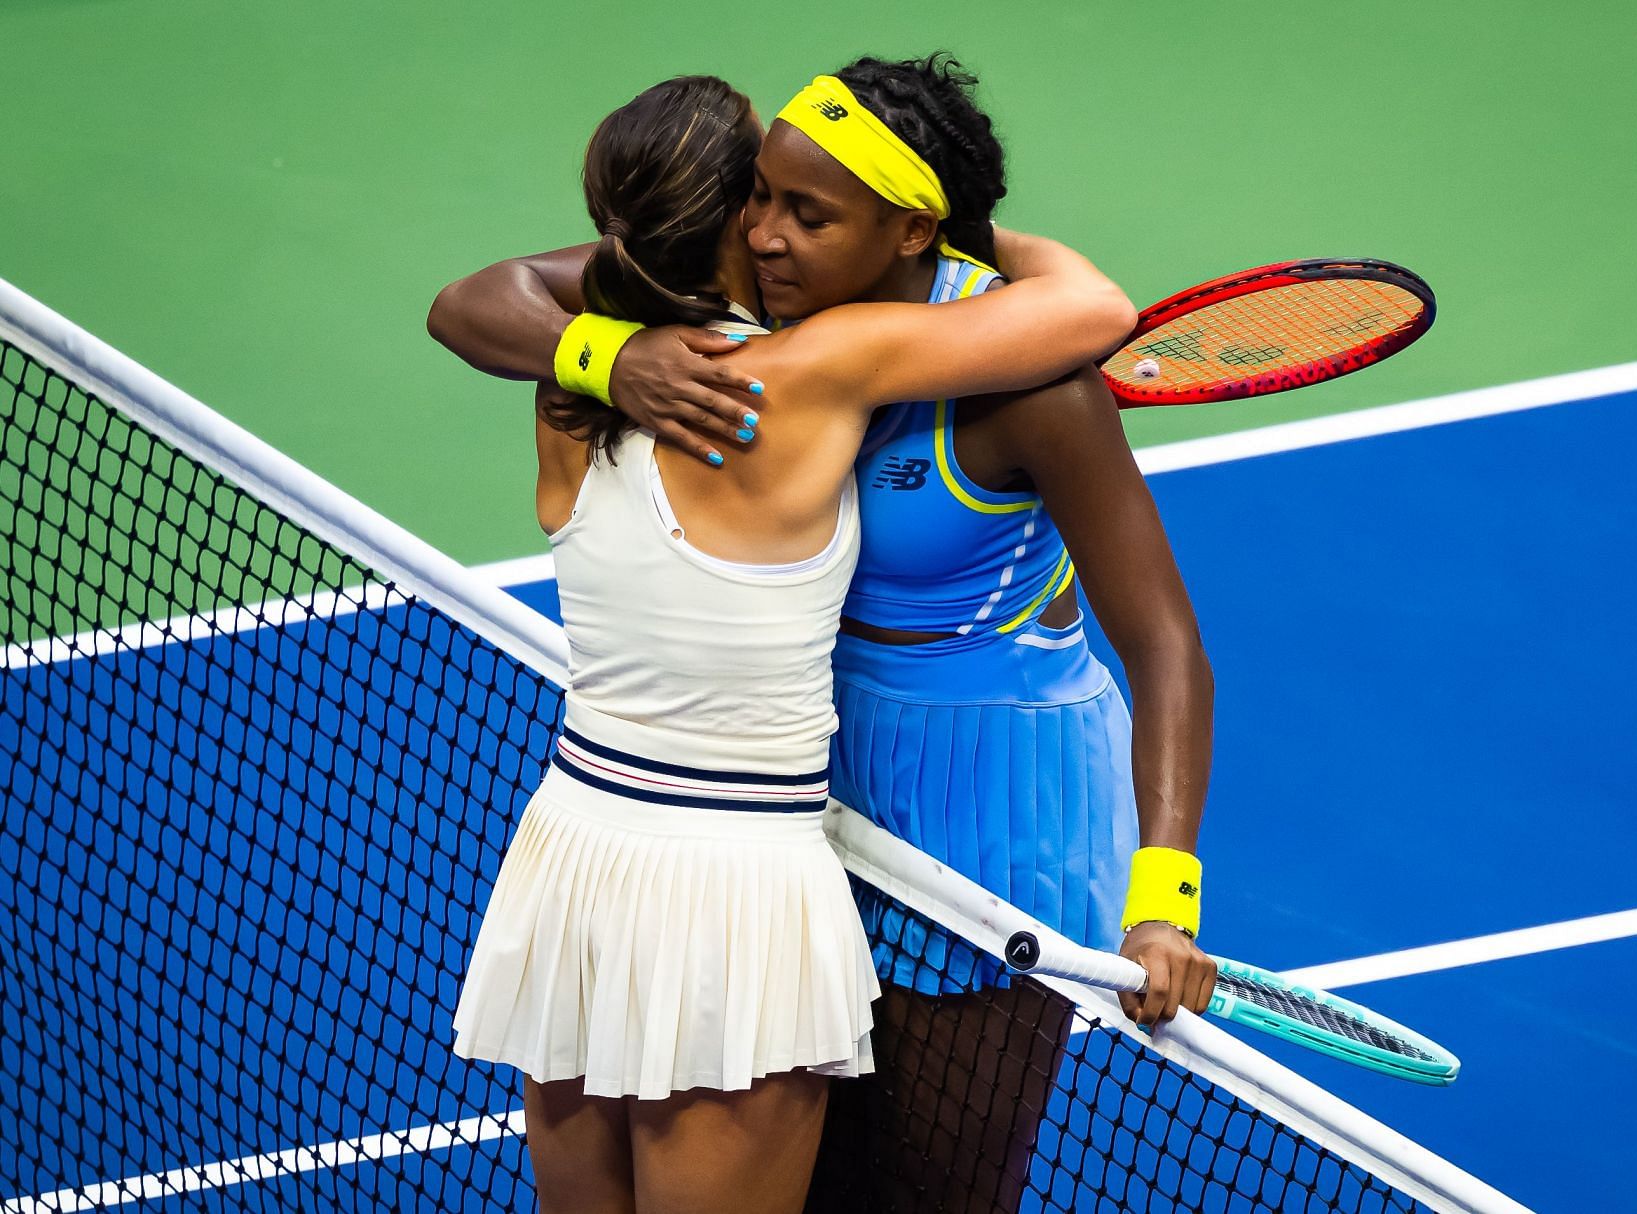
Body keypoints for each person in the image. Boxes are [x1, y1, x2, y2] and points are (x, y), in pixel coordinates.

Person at [430, 55, 1218, 1213]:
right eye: (757, 200)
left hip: (988, 815)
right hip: (806, 802)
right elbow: (491, 296)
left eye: (807, 211)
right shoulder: (772, 324)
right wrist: (611, 350)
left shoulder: (1030, 386)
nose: (767, 235)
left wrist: (1166, 895)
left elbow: (1166, 646)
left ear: (908, 230)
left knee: (930, 1189)